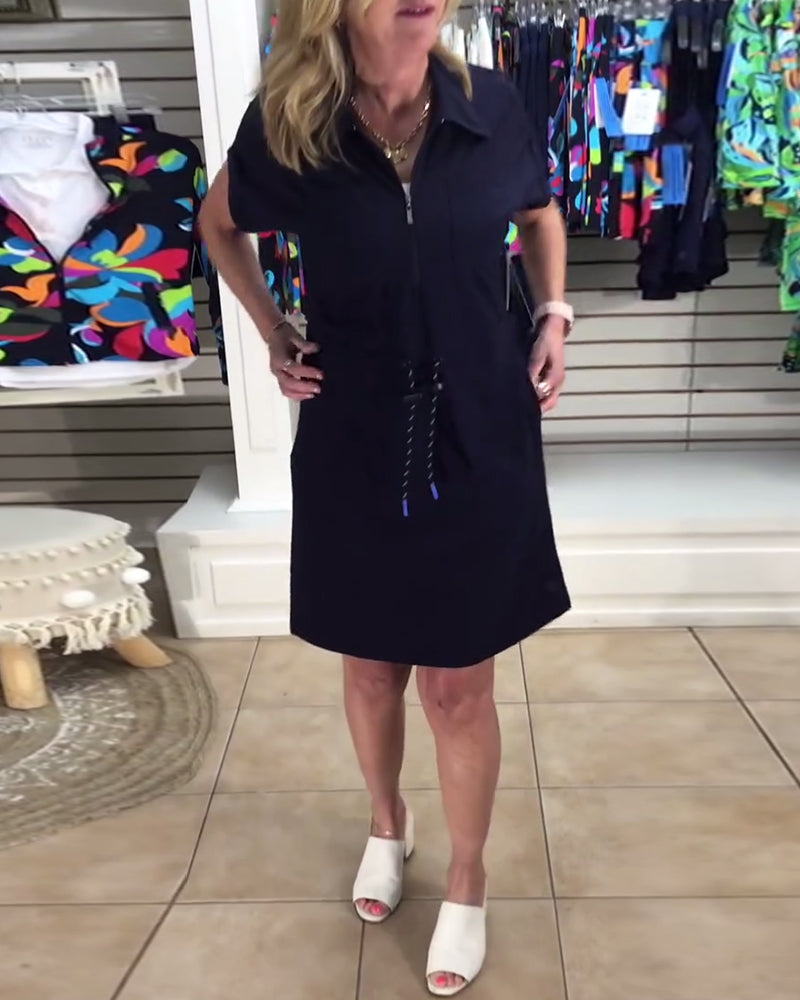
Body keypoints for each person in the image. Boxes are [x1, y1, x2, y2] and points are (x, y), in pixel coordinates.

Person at [200, 0, 571, 993]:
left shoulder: (490, 104)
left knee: (457, 683)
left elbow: (538, 211)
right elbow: (217, 225)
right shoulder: (290, 122)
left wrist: (552, 313)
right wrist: (272, 331)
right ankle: (386, 824)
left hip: (478, 426)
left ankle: (466, 878)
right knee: (369, 666)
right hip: (355, 428)